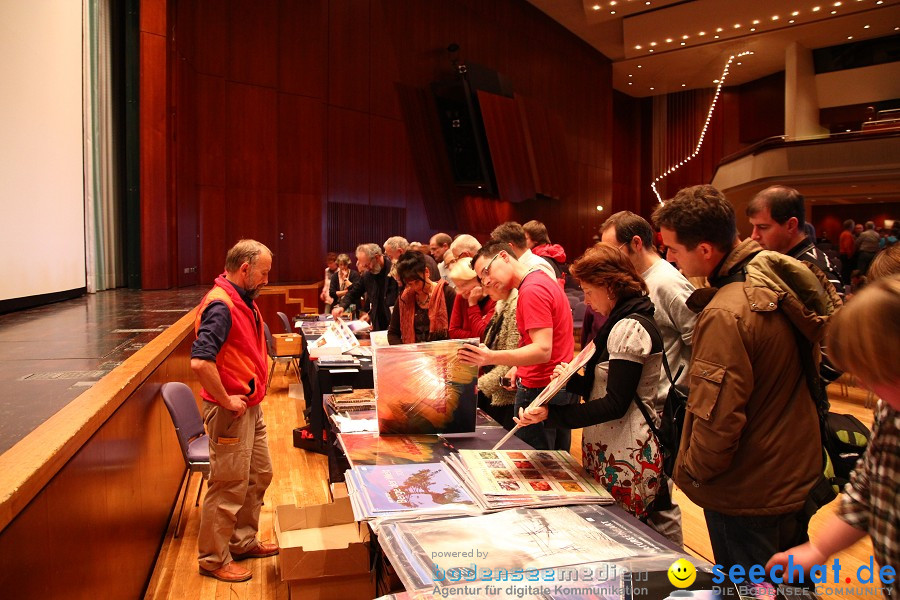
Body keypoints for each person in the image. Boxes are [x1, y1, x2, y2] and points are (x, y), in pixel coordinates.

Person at [652, 184, 827, 575]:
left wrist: (692, 472)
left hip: (748, 488)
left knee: (749, 588)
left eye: (673, 249)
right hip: (790, 470)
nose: (669, 258)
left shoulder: (726, 311)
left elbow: (718, 419)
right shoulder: (771, 280)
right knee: (790, 585)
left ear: (705, 251)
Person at [515, 243, 670, 531]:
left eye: (588, 291)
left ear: (609, 286)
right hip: (614, 447)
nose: (585, 300)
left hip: (627, 451)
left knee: (624, 531)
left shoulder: (628, 327)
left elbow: (615, 403)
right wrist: (571, 380)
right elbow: (600, 386)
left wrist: (554, 414)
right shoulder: (619, 321)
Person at [766, 275, 900, 598]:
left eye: (873, 374)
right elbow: (865, 492)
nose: (864, 386)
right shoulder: (889, 412)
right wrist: (819, 549)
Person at [600, 210, 695, 545]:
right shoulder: (639, 281)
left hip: (661, 408)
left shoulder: (667, 282)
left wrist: (681, 393)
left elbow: (698, 340)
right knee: (643, 497)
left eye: (614, 251)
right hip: (641, 407)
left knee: (659, 501)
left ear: (636, 244)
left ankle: (675, 574)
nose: (610, 260)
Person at [190, 239, 278, 583]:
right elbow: (200, 362)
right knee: (227, 486)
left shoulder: (240, 299)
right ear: (245, 269)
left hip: (249, 408)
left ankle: (242, 541)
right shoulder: (221, 305)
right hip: (231, 411)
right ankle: (213, 559)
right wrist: (226, 400)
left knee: (259, 474)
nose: (267, 279)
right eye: (264, 273)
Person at [458, 240, 576, 450]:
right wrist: (518, 367)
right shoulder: (538, 280)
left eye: (486, 271)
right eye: (481, 278)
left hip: (541, 387)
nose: (485, 282)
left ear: (504, 256)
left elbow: (542, 350)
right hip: (555, 384)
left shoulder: (532, 289)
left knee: (536, 468)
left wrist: (490, 357)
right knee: (555, 463)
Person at [746, 186, 843, 295]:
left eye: (763, 227)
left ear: (791, 225)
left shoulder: (818, 272)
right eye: (753, 227)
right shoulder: (774, 260)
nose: (754, 236)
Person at [387, 251, 456, 344]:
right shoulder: (405, 297)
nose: (415, 287)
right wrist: (405, 352)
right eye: (409, 284)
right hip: (412, 354)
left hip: (441, 353)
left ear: (426, 272)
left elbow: (454, 330)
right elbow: (393, 333)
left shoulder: (447, 293)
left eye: (417, 282)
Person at [477, 285, 520, 430]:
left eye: (487, 284)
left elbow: (512, 360)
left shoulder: (515, 307)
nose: (485, 291)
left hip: (508, 396)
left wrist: (479, 385)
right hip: (497, 387)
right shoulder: (501, 304)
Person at [332, 243, 398, 330]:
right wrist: (342, 306)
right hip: (378, 325)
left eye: (367, 265)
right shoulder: (368, 274)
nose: (367, 268)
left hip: (394, 323)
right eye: (364, 266)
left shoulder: (394, 270)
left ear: (377, 257)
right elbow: (354, 291)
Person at [490, 221, 558, 281]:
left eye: (499, 250)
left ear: (510, 247)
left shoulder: (536, 266)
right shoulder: (521, 265)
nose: (499, 255)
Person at [448, 257, 496, 340]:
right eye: (457, 286)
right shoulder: (461, 297)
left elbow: (484, 335)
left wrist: (473, 305)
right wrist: (475, 336)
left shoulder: (495, 298)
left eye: (463, 285)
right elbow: (453, 332)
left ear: (479, 279)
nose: (460, 291)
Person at [524, 219, 567, 286]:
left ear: (535, 240)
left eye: (525, 239)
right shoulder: (548, 253)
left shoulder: (542, 259)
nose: (522, 242)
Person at [839, 219, 856, 284]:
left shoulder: (843, 233)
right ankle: (846, 284)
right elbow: (847, 246)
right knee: (847, 272)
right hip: (846, 255)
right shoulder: (847, 234)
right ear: (851, 226)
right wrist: (850, 255)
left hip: (843, 254)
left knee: (844, 271)